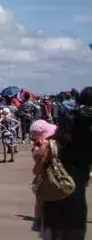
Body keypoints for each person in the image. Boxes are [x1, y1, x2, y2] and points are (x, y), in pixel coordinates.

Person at [41, 86, 92, 240]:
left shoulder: (70, 115)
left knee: (60, 200)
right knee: (78, 205)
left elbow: (60, 139)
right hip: (82, 166)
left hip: (64, 165)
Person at [29, 119, 57, 232]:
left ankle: (37, 221)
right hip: (49, 179)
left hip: (42, 180)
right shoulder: (45, 147)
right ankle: (39, 221)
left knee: (39, 202)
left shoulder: (36, 147)